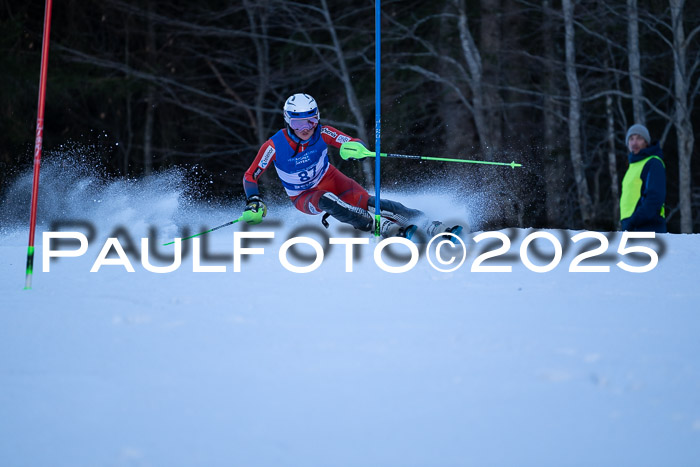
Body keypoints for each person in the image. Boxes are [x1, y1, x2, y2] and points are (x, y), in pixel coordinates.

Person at [241, 93, 461, 239]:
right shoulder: (274, 145)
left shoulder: (322, 132)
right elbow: (250, 176)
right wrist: (254, 201)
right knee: (326, 199)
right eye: (298, 123)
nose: (306, 128)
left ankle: (431, 226)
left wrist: (357, 149)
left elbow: (350, 142)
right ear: (288, 121)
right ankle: (383, 228)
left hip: (331, 179)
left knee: (371, 203)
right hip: (304, 195)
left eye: (310, 121)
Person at [619, 123, 666, 233]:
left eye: (639, 138)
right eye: (631, 139)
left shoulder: (653, 163)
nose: (634, 142)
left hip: (648, 226)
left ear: (646, 142)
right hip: (631, 226)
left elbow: (655, 197)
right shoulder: (632, 167)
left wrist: (635, 220)